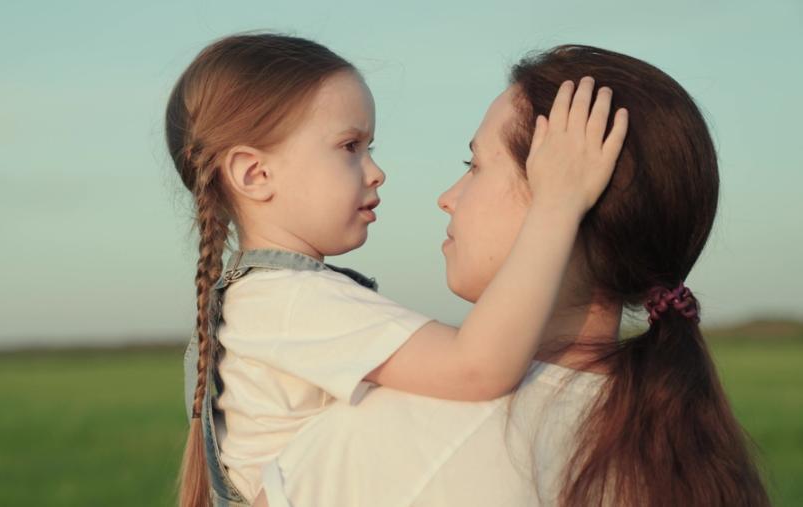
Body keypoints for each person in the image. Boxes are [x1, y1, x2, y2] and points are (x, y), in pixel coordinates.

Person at [254, 45, 770, 507]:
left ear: (564, 192)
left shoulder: (400, 435)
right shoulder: (677, 446)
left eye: (474, 164)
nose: (448, 196)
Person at [165, 34, 627, 506]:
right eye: (350, 146)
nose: (376, 171)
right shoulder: (290, 301)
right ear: (255, 174)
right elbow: (477, 367)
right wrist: (557, 204)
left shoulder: (274, 299)